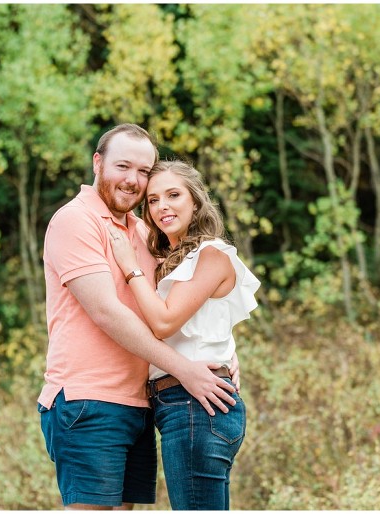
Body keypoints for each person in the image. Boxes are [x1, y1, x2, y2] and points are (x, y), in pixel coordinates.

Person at [37, 124, 240, 510]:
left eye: (143, 171)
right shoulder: (75, 221)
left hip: (141, 404)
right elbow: (106, 312)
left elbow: (181, 301)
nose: (133, 180)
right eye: (123, 166)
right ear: (98, 163)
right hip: (89, 399)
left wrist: (224, 349)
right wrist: (184, 368)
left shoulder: (144, 230)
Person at [105, 159, 261, 510]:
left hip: (196, 406)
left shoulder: (212, 254)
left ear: (195, 200)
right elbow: (212, 323)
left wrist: (129, 265)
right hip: (180, 404)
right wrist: (230, 352)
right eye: (154, 200)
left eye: (173, 195)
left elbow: (164, 323)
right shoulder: (174, 260)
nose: (162, 207)